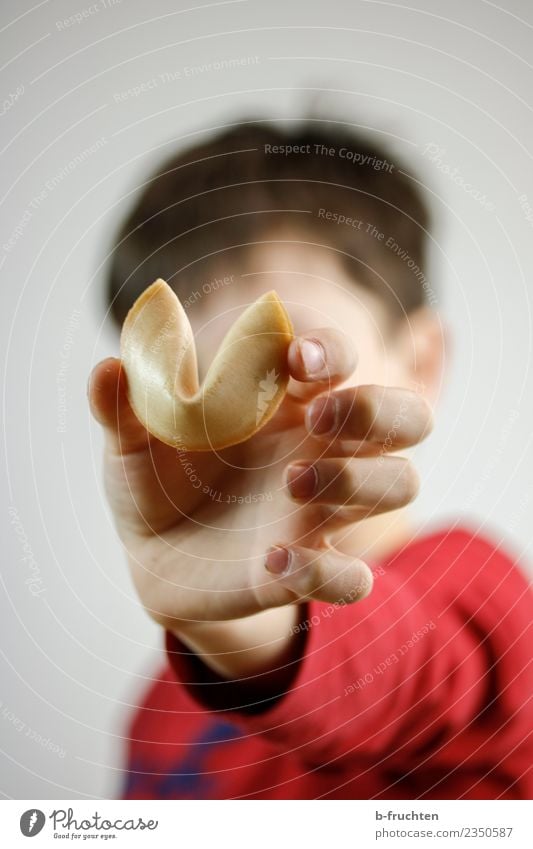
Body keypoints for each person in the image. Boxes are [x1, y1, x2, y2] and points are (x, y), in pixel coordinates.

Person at [88, 120, 533, 799]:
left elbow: (400, 676)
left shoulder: (480, 597)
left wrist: (242, 624)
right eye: (189, 380)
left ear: (419, 362)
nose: (243, 427)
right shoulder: (162, 708)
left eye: (277, 356)